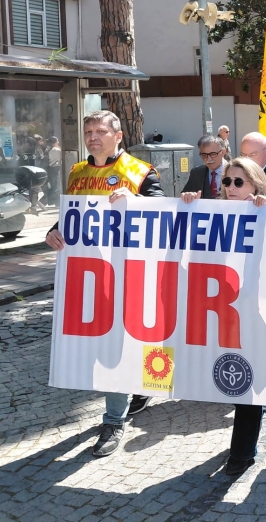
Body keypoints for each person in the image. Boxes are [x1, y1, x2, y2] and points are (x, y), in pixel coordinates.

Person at [44, 110, 165, 456]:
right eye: (88, 131)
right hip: (89, 277)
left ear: (118, 135)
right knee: (103, 344)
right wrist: (54, 232)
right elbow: (70, 217)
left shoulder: (140, 171)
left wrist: (136, 201)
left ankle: (113, 421)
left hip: (130, 273)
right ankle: (138, 388)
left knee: (116, 346)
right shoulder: (77, 172)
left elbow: (164, 212)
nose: (93, 137)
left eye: (100, 131)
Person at [181, 158, 266, 475]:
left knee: (247, 380)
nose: (230, 187)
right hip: (221, 312)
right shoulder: (211, 214)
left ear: (256, 186)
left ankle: (242, 452)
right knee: (234, 379)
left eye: (238, 182)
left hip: (256, 313)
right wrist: (188, 208)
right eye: (227, 182)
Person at [182, 135, 228, 199]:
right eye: (204, 155)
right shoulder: (196, 173)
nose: (209, 159)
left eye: (213, 154)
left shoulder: (236, 172)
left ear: (223, 152)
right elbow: (184, 196)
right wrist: (188, 196)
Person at [45, 136, 62, 205]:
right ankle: (57, 202)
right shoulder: (56, 150)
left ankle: (50, 201)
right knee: (57, 186)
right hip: (55, 169)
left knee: (52, 185)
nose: (58, 142)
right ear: (55, 142)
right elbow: (62, 156)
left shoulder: (48, 149)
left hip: (50, 168)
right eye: (57, 141)